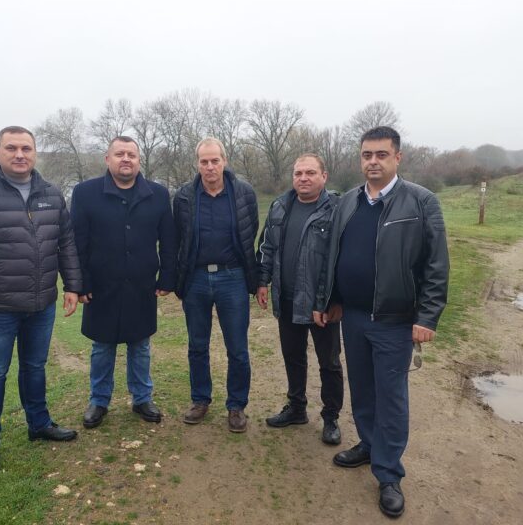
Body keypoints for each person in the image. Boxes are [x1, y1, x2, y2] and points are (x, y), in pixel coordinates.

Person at [313, 126, 449, 518]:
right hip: (353, 318)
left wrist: (427, 316)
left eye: (381, 155)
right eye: (367, 155)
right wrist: (331, 300)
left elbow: (436, 266)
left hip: (394, 320)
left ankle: (389, 474)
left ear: (397, 157)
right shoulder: (348, 202)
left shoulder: (420, 202)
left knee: (391, 398)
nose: (373, 162)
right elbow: (334, 256)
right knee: (363, 390)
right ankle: (369, 446)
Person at [0, 125, 82, 477]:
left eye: (26, 148)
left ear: (35, 153)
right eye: (11, 148)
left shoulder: (51, 194)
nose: (19, 154)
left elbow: (65, 242)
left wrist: (72, 285)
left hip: (41, 304)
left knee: (35, 367)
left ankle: (39, 424)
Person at [70, 136, 176, 429]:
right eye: (119, 154)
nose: (126, 159)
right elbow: (77, 242)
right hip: (101, 285)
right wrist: (81, 283)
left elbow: (168, 241)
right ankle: (99, 400)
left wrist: (168, 276)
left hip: (142, 284)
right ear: (108, 159)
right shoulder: (85, 193)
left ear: (139, 160)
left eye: (131, 154)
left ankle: (142, 398)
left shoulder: (157, 194)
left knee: (140, 344)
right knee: (102, 346)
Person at [256, 154, 344, 445]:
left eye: (310, 173)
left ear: (324, 176)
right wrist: (262, 281)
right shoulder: (280, 206)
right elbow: (267, 247)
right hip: (287, 298)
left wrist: (332, 300)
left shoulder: (337, 209)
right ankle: (296, 408)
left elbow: (342, 259)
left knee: (329, 362)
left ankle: (331, 417)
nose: (303, 178)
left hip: (321, 304)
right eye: (298, 173)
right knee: (293, 356)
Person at [173, 137, 259, 433]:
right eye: (204, 161)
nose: (210, 166)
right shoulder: (184, 196)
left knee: (237, 348)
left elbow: (250, 231)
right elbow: (178, 237)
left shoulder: (243, 193)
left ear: (224, 160)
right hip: (196, 279)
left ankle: (236, 405)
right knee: (197, 345)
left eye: (215, 160)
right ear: (197, 164)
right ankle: (200, 400)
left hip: (232, 278)